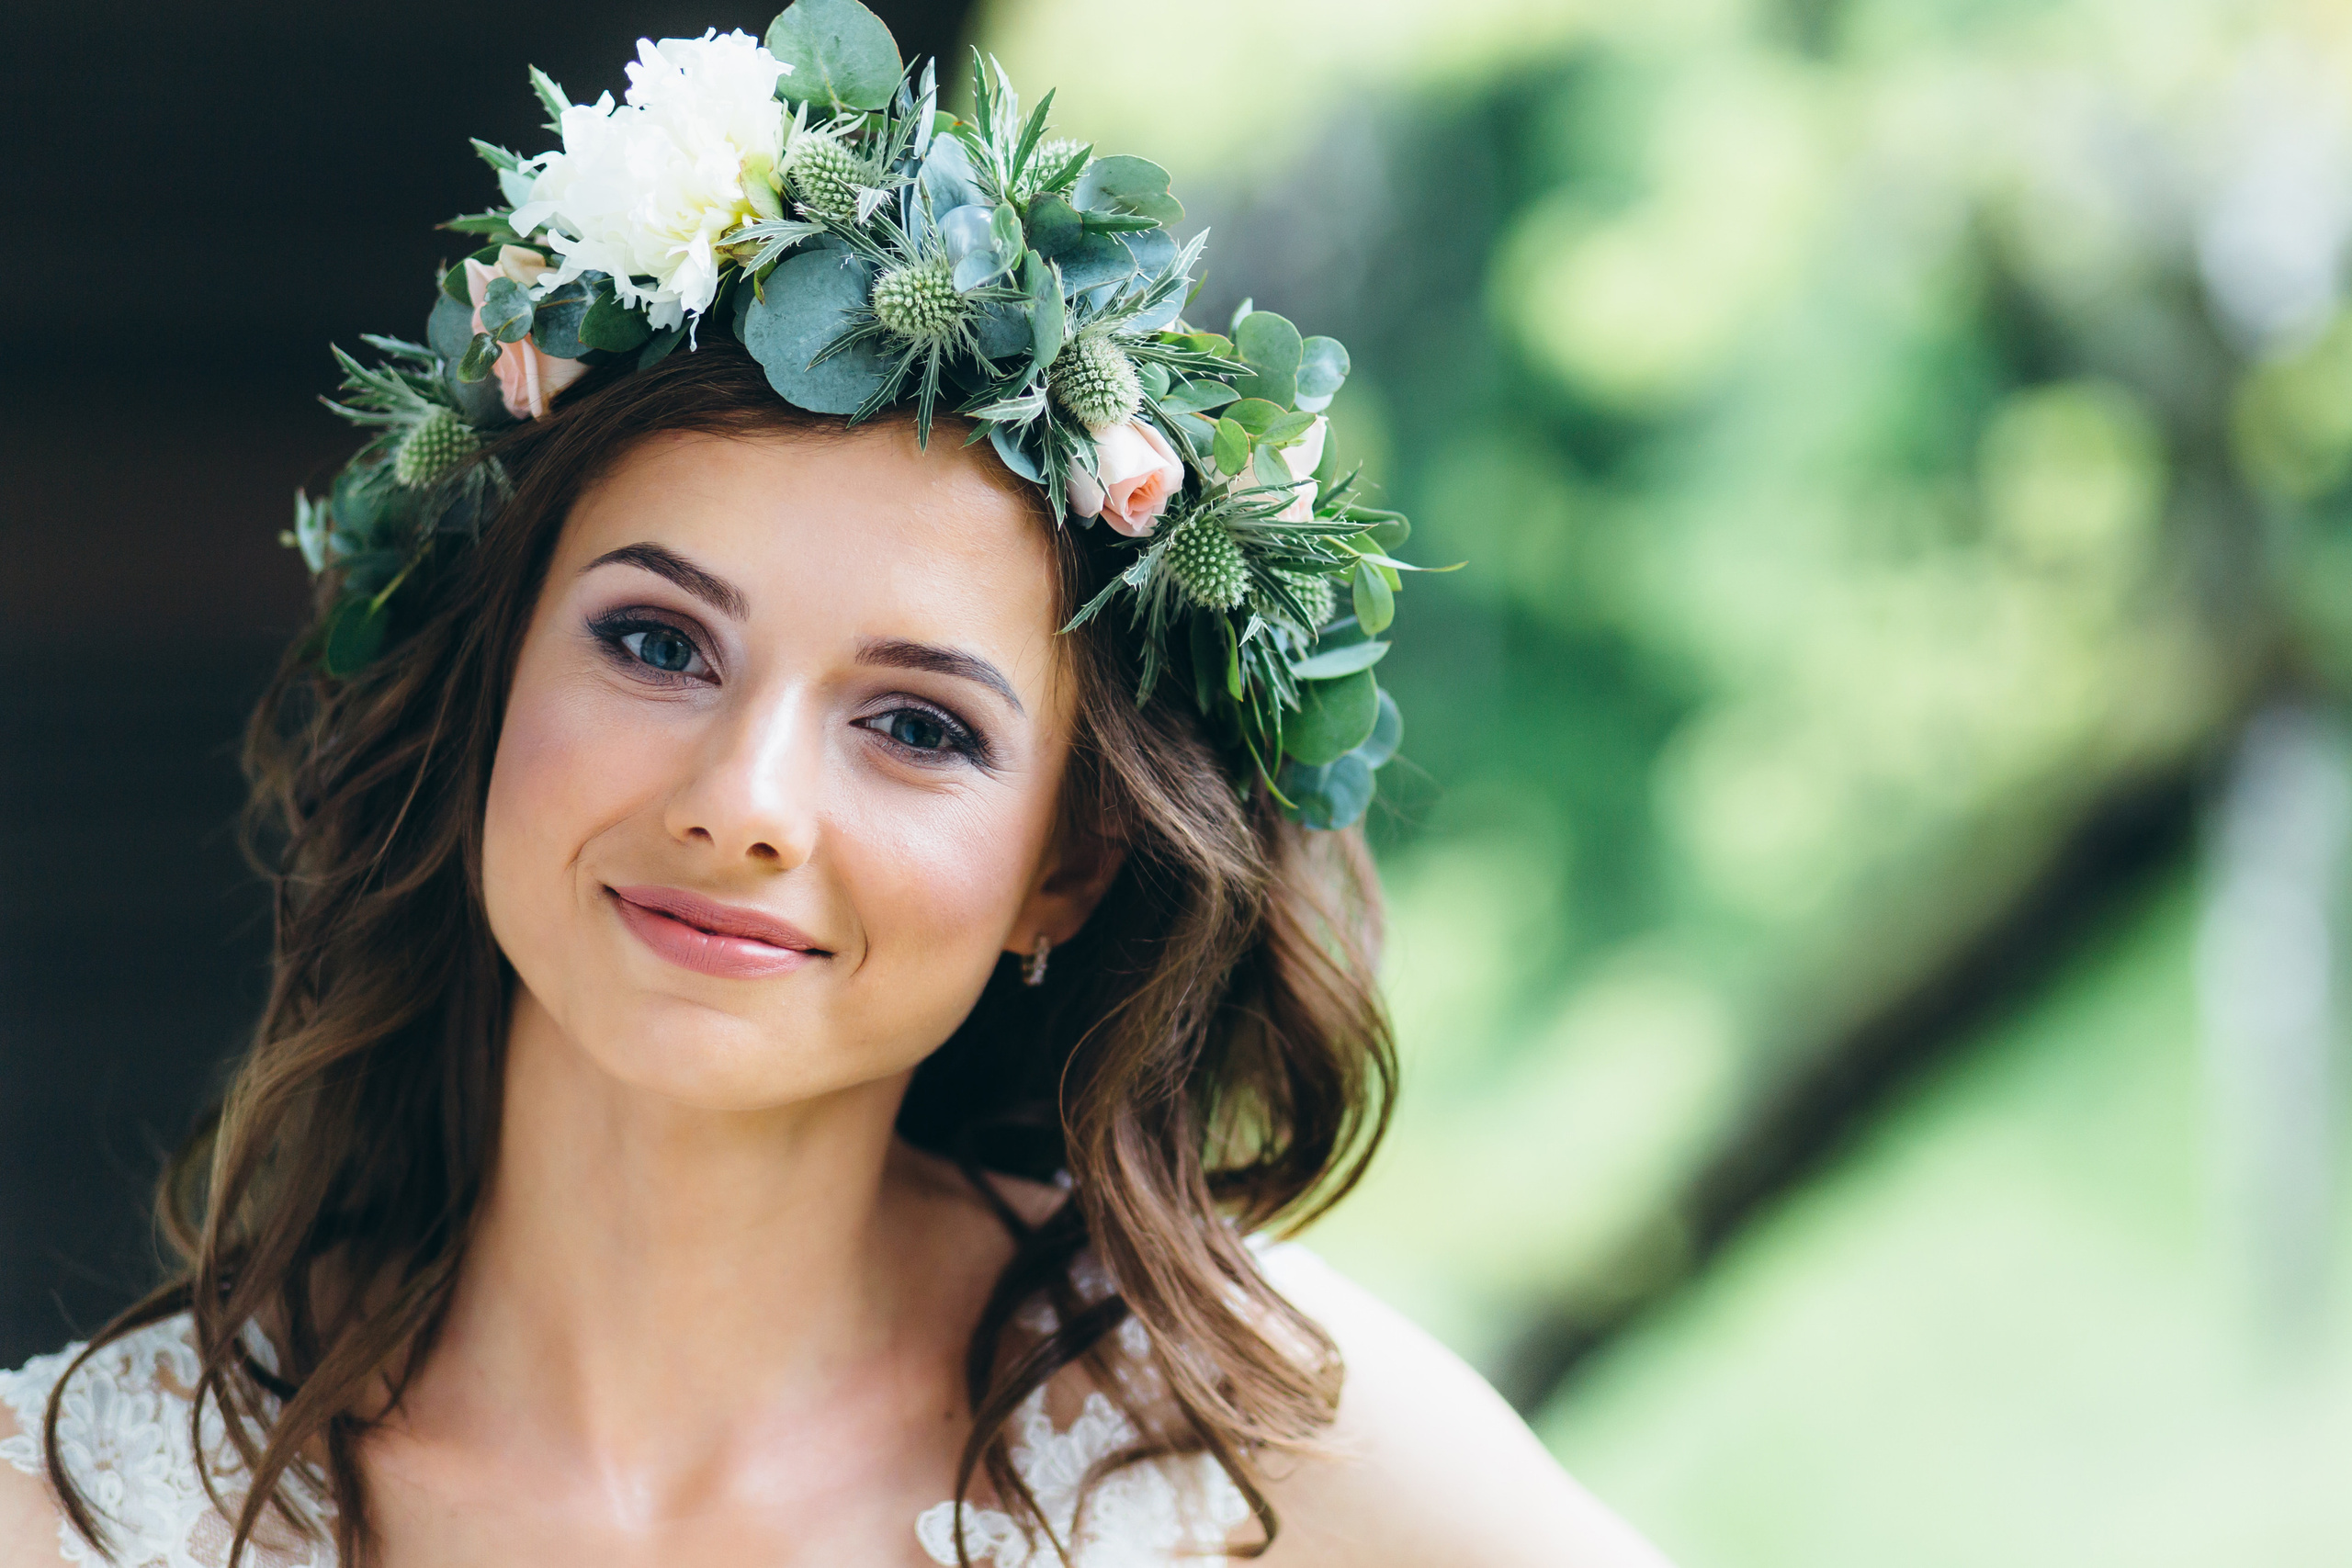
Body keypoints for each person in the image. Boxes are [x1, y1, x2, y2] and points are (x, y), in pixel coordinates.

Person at [0, 10, 1674, 1566]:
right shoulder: (77, 1514)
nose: (747, 803)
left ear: (1068, 869)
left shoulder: (1258, 1443)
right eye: (658, 644)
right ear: (489, 682)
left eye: (921, 727)